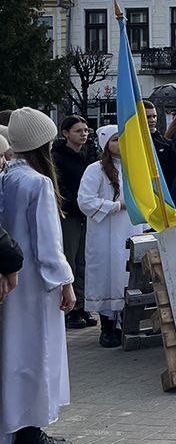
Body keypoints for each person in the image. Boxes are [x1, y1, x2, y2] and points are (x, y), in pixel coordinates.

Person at [1, 107, 76, 444]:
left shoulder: (7, 176)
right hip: (35, 283)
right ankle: (29, 431)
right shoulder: (38, 182)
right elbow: (48, 243)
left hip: (10, 280)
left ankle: (13, 428)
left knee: (13, 353)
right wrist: (65, 282)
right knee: (38, 353)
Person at [77, 125, 145, 348]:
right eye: (115, 140)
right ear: (106, 143)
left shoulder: (135, 167)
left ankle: (127, 321)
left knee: (127, 274)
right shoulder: (95, 170)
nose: (119, 144)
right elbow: (85, 201)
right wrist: (116, 206)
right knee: (108, 274)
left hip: (131, 229)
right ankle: (107, 325)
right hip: (105, 233)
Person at [51, 115, 95, 330]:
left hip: (88, 214)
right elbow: (59, 187)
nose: (84, 134)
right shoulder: (57, 157)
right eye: (78, 131)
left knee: (84, 260)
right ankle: (69, 309)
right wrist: (78, 205)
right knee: (70, 256)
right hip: (69, 213)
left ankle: (82, 303)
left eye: (86, 130)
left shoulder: (91, 155)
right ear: (66, 133)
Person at [142, 101, 176, 188]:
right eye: (147, 117)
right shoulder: (130, 143)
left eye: (154, 116)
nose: (152, 120)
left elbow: (172, 173)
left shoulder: (166, 144)